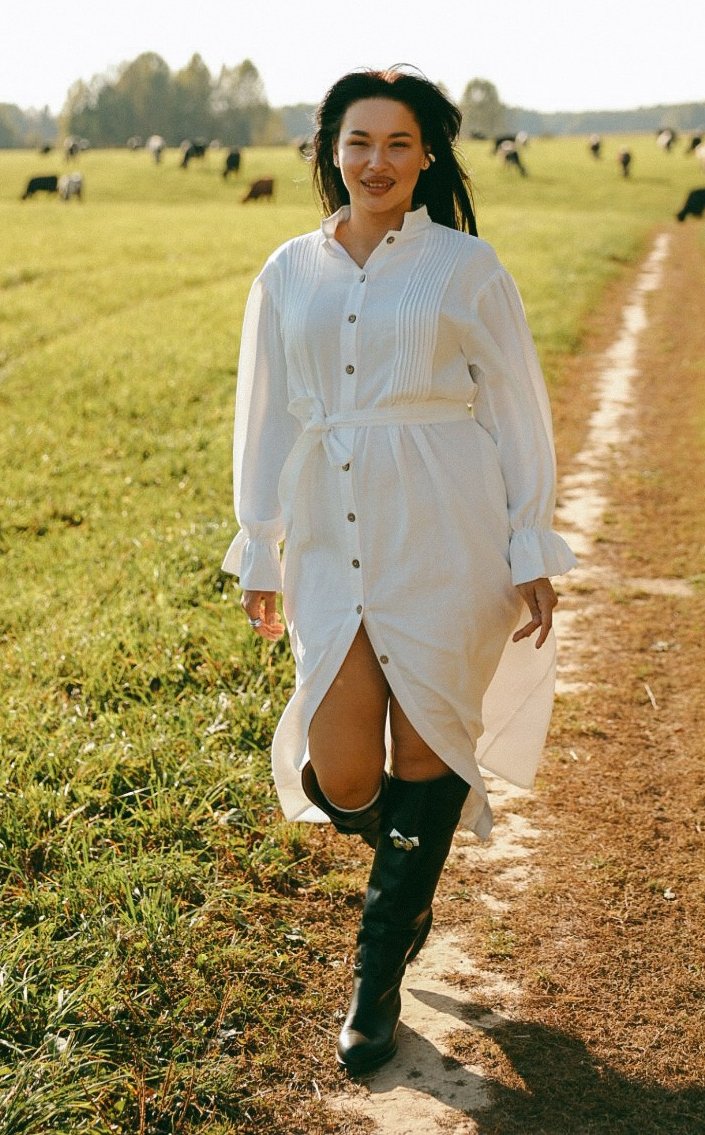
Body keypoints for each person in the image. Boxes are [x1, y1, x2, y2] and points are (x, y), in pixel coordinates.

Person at [223, 67, 575, 1074]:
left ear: (427, 158)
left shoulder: (467, 267)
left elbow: (515, 408)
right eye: (358, 142)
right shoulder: (287, 270)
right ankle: (410, 871)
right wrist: (261, 545)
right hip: (329, 534)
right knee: (339, 772)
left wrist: (529, 543)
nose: (376, 162)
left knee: (427, 751)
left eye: (398, 144)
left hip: (445, 527)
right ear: (330, 152)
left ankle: (377, 978)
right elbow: (265, 415)